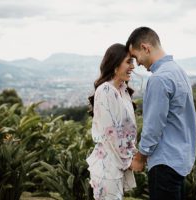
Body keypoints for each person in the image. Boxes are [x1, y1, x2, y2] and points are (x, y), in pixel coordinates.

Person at [126, 27, 196, 200]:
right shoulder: (178, 71)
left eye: (136, 57)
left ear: (145, 48)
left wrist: (140, 157)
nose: (138, 64)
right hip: (181, 160)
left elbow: (153, 126)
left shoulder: (159, 79)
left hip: (165, 162)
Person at [86, 43, 137, 200]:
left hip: (117, 164)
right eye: (129, 61)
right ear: (115, 65)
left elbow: (127, 131)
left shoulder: (122, 90)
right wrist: (130, 161)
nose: (133, 66)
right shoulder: (106, 91)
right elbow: (111, 134)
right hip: (107, 166)